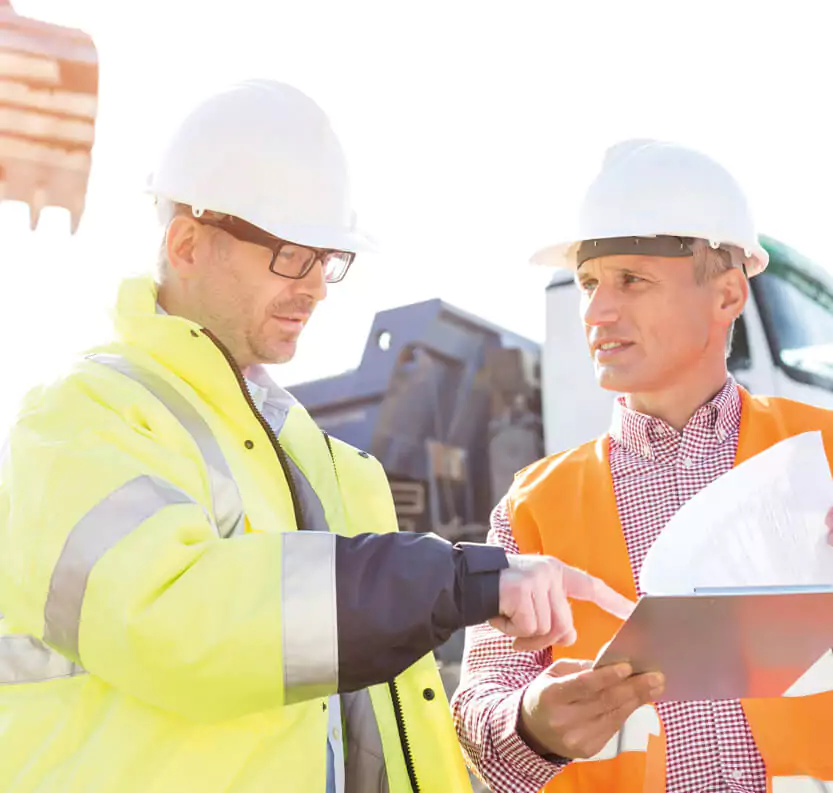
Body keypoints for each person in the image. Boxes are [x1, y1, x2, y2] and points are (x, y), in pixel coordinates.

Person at [0, 80, 633, 793]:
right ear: (186, 244)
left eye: (327, 259)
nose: (316, 286)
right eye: (291, 255)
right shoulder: (79, 417)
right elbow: (177, 623)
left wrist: (529, 731)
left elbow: (370, 725)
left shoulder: (320, 458)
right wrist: (456, 579)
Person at [452, 139, 833, 793]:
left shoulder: (823, 455)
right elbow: (478, 704)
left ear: (726, 296)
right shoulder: (531, 506)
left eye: (632, 280)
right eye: (589, 282)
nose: (597, 311)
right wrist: (528, 723)